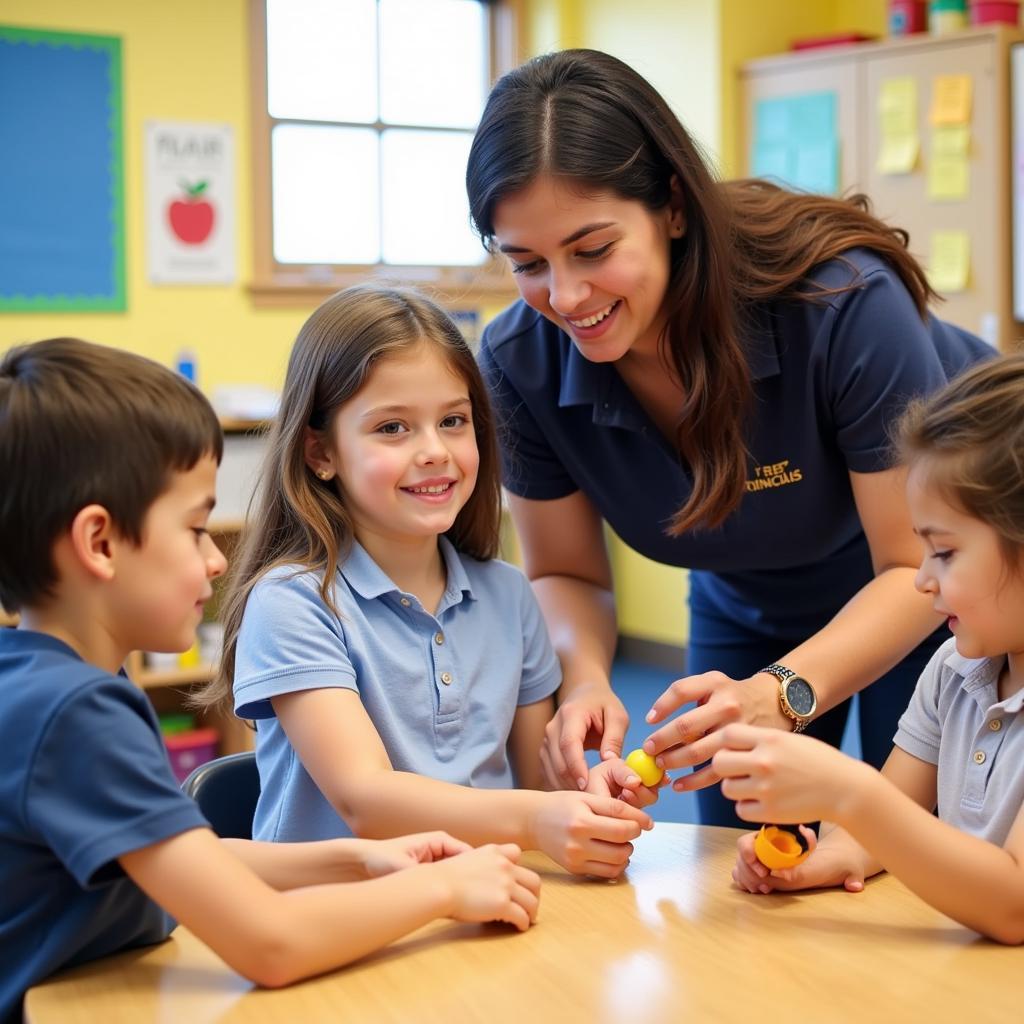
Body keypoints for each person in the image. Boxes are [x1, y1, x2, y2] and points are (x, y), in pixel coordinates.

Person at [465, 48, 994, 826]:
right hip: (745, 595)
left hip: (937, 586)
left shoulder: (840, 301)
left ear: (673, 206)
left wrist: (782, 692)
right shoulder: (519, 363)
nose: (566, 296)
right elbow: (567, 575)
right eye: (527, 263)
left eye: (593, 250)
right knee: (742, 861)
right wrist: (584, 679)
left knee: (925, 852)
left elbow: (915, 564)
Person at [0, 338, 542, 1023]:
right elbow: (271, 944)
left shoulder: (42, 685)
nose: (215, 561)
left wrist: (358, 861)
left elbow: (182, 861)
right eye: (196, 528)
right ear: (100, 543)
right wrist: (444, 892)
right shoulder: (74, 714)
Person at [196, 285, 655, 878]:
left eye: (454, 421)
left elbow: (537, 787)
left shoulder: (512, 595)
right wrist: (540, 819)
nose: (435, 451)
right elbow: (366, 799)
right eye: (392, 428)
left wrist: (590, 797)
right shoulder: (292, 602)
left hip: (484, 905)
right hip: (337, 927)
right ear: (320, 452)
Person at [713, 354, 1024, 942]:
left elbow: (1013, 903)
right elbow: (876, 830)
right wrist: (818, 859)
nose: (921, 579)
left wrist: (847, 791)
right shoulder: (954, 670)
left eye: (946, 552)